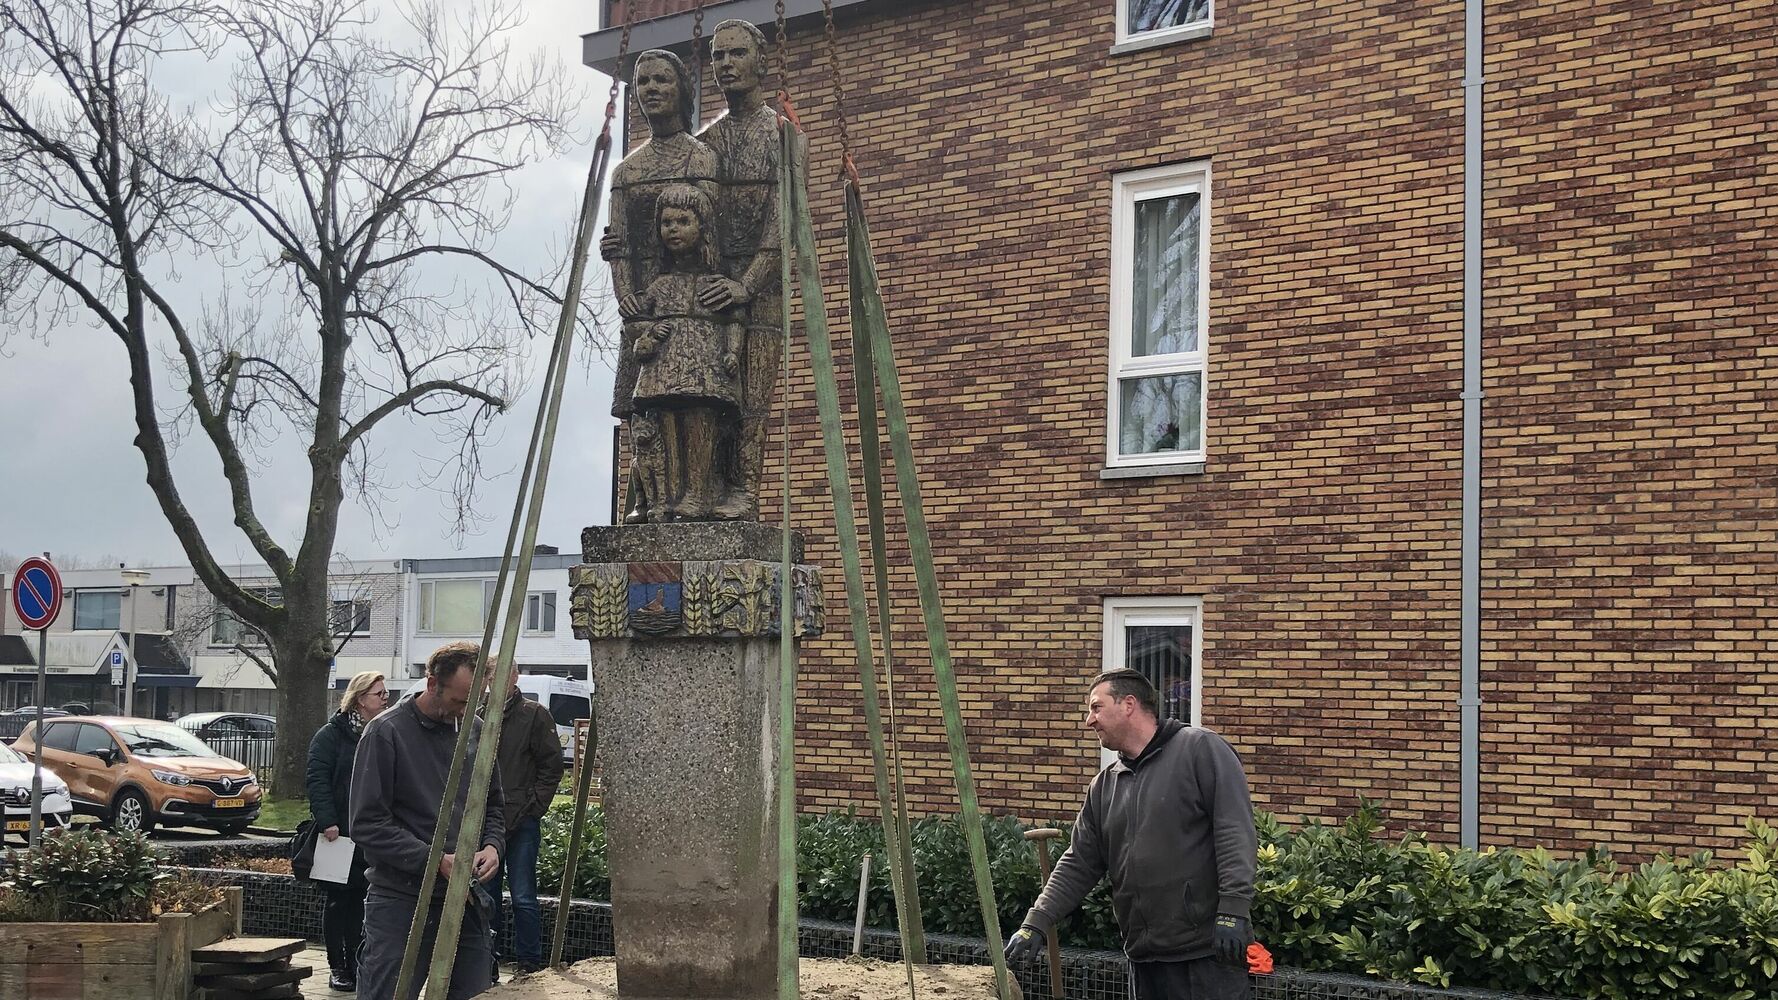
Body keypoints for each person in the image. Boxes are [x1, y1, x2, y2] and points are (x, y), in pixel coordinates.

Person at [1004, 668, 1258, 1000]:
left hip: (1206, 956)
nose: (1088, 720)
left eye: (1096, 707)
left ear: (1128, 704)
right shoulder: (1105, 785)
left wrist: (1233, 910)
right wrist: (1036, 922)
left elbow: (1234, 830)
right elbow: (1079, 862)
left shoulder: (1200, 751)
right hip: (1144, 958)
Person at [351, 642, 505, 1000]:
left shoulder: (477, 731)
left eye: (475, 702)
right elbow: (367, 823)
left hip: (464, 899)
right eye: (459, 701)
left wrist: (493, 846)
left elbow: (493, 804)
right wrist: (434, 860)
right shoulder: (385, 733)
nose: (466, 712)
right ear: (432, 683)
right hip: (401, 899)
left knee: (473, 993)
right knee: (388, 993)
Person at [698, 19, 793, 520]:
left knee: (751, 399)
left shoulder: (782, 137)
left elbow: (783, 227)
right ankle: (700, 487)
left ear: (761, 60)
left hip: (761, 288)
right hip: (709, 287)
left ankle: (744, 488)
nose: (726, 65)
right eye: (717, 56)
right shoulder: (704, 143)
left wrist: (746, 285)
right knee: (706, 394)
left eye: (736, 54)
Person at [627, 183, 746, 520]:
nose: (673, 230)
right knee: (666, 428)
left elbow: (734, 318)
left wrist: (732, 352)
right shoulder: (661, 284)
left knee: (700, 424)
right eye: (667, 223)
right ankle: (669, 494)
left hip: (703, 365)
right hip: (664, 366)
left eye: (682, 221)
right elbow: (635, 319)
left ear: (702, 227)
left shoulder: (716, 283)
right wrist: (647, 332)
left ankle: (696, 493)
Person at [307, 671, 389, 992]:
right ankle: (337, 965)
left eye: (385, 693)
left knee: (361, 899)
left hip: (368, 833)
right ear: (359, 700)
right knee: (339, 902)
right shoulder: (330, 736)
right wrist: (328, 821)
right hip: (337, 833)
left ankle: (358, 964)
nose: (385, 698)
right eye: (378, 694)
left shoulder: (382, 733)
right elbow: (318, 780)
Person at [488, 667, 566, 978]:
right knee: (486, 896)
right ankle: (486, 960)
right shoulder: (479, 715)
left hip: (522, 819)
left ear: (514, 677)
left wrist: (534, 807)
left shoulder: (533, 714)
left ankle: (528, 963)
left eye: (500, 676)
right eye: (489, 676)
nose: (493, 683)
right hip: (486, 822)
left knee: (523, 896)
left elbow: (552, 765)